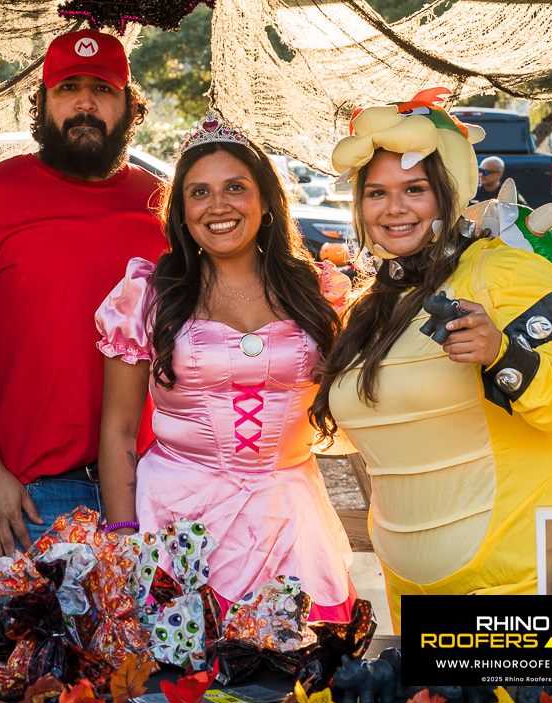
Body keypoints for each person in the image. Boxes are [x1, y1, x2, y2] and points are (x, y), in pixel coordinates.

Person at [310, 89, 552, 632]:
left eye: (414, 189)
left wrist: (503, 353)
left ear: (446, 194)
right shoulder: (370, 308)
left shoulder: (504, 272)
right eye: (375, 192)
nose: (394, 207)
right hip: (414, 593)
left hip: (525, 583)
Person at [95, 112, 357, 620]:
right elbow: (119, 430)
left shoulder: (318, 292)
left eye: (235, 187)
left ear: (265, 201)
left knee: (295, 679)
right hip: (174, 521)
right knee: (177, 685)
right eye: (199, 192)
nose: (218, 206)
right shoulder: (148, 296)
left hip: (290, 520)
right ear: (182, 211)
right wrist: (125, 540)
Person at [0, 29, 167, 557]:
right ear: (39, 104)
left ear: (132, 107)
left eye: (103, 90)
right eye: (68, 89)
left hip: (150, 487)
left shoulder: (165, 204)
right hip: (31, 497)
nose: (85, 104)